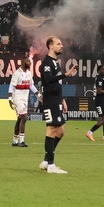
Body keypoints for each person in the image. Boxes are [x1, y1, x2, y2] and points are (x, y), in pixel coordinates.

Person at [39, 36, 78, 174]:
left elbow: (57, 84)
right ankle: (51, 165)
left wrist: (62, 100)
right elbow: (49, 80)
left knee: (60, 132)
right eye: (58, 44)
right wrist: (65, 75)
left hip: (57, 100)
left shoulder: (56, 62)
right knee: (51, 130)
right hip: (50, 101)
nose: (61, 46)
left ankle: (45, 160)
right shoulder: (46, 62)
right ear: (50, 46)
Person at [8, 57, 38, 147]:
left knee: (20, 119)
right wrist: (10, 99)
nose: (30, 63)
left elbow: (31, 85)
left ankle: (15, 140)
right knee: (24, 117)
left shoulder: (29, 73)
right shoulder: (17, 73)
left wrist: (39, 95)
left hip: (25, 98)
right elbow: (12, 86)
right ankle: (21, 141)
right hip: (17, 97)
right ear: (23, 62)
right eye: (28, 61)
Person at [85, 65, 104, 142]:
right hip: (99, 101)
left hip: (102, 100)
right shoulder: (99, 79)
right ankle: (90, 132)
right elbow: (99, 91)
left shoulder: (101, 79)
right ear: (99, 71)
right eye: (103, 69)